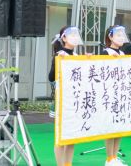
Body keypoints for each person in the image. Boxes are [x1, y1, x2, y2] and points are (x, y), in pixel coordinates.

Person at [48, 26, 83, 166]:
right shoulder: (59, 54)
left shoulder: (76, 56)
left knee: (71, 136)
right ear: (63, 38)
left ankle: (68, 164)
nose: (75, 37)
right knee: (60, 137)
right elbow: (51, 77)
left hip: (74, 100)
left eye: (76, 35)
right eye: (72, 35)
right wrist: (58, 61)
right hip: (63, 100)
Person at [103, 25, 129, 166]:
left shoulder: (123, 54)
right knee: (110, 127)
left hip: (121, 94)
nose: (121, 38)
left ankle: (114, 156)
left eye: (122, 35)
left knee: (119, 128)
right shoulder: (105, 52)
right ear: (110, 37)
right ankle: (109, 159)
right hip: (109, 95)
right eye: (118, 35)